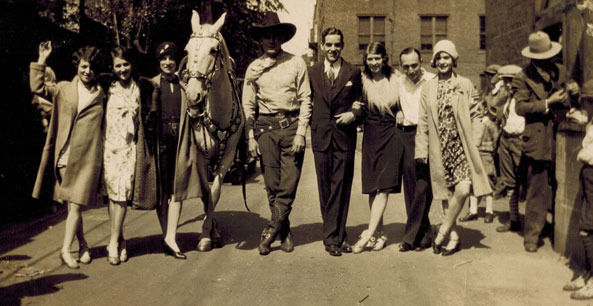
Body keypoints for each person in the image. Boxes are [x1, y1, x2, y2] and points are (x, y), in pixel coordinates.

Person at [30, 41, 106, 269]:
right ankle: (75, 246)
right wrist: (42, 60)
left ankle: (74, 247)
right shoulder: (63, 88)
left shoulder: (102, 94)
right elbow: (38, 88)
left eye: (91, 67)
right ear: (77, 66)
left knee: (75, 205)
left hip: (88, 159)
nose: (87, 71)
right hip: (65, 156)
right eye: (83, 66)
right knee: (73, 205)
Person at [242, 12, 312, 255]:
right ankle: (285, 232)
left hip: (292, 127)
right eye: (266, 37)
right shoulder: (253, 69)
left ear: (282, 38)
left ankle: (271, 230)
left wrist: (301, 132)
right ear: (260, 40)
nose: (271, 41)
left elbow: (306, 99)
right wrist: (250, 137)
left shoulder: (296, 63)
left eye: (275, 36)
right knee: (272, 185)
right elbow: (248, 106)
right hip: (265, 131)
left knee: (289, 184)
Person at [416, 40, 492, 256]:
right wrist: (421, 150)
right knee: (445, 194)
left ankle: (442, 231)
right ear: (434, 61)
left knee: (463, 190)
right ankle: (454, 237)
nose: (442, 61)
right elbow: (422, 122)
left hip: (462, 147)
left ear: (453, 60)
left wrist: (474, 142)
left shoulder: (465, 84)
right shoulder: (428, 88)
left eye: (446, 57)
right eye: (439, 57)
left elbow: (478, 114)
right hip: (438, 147)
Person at [513, 31, 579, 252]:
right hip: (538, 141)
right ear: (533, 57)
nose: (548, 60)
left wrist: (574, 92)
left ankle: (553, 229)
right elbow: (520, 108)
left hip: (560, 136)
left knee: (560, 185)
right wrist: (547, 102)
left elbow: (570, 97)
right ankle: (531, 236)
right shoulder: (522, 77)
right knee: (537, 190)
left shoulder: (560, 71)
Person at [309, 27, 363, 256]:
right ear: (322, 46)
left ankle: (334, 238)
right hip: (321, 136)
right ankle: (336, 235)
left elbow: (361, 100)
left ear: (342, 46)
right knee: (325, 189)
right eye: (329, 44)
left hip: (344, 136)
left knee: (341, 187)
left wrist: (354, 114)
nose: (333, 49)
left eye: (337, 44)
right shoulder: (311, 72)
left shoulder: (353, 72)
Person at [102, 47, 155, 265]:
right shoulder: (107, 88)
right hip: (108, 148)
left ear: (131, 65)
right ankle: (120, 239)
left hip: (129, 148)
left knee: (122, 194)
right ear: (112, 68)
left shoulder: (140, 88)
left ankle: (113, 241)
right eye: (118, 65)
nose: (122, 69)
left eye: (125, 64)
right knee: (114, 195)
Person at [351, 42, 402, 253]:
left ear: (384, 58)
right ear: (366, 60)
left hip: (391, 134)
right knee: (373, 188)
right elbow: (356, 106)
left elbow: (408, 99)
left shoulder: (397, 79)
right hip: (371, 136)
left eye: (377, 58)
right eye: (370, 59)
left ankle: (368, 234)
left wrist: (401, 111)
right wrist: (354, 108)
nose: (373, 63)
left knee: (384, 187)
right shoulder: (361, 81)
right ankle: (380, 234)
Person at [397, 48, 435, 252]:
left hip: (426, 135)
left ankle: (410, 237)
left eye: (414, 65)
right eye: (406, 66)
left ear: (421, 62)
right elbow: (393, 102)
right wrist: (398, 110)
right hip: (406, 135)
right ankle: (425, 235)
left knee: (423, 187)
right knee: (411, 187)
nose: (411, 70)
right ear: (400, 66)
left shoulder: (432, 80)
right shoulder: (399, 82)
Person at [564, 80, 593, 300]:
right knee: (585, 225)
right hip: (588, 177)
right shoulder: (591, 119)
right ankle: (587, 274)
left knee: (589, 228)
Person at [493, 64, 525, 233]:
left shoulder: (524, 98)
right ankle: (514, 220)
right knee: (509, 181)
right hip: (506, 139)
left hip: (519, 141)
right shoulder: (506, 98)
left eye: (510, 80)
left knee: (527, 180)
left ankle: (536, 224)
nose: (506, 84)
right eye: (504, 81)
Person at [459, 102, 499, 223]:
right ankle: (473, 211)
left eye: (480, 108)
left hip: (486, 153)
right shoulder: (471, 121)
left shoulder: (488, 123)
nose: (477, 111)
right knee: (473, 181)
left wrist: (492, 149)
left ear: (485, 109)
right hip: (473, 153)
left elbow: (496, 136)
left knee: (487, 180)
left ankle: (489, 210)